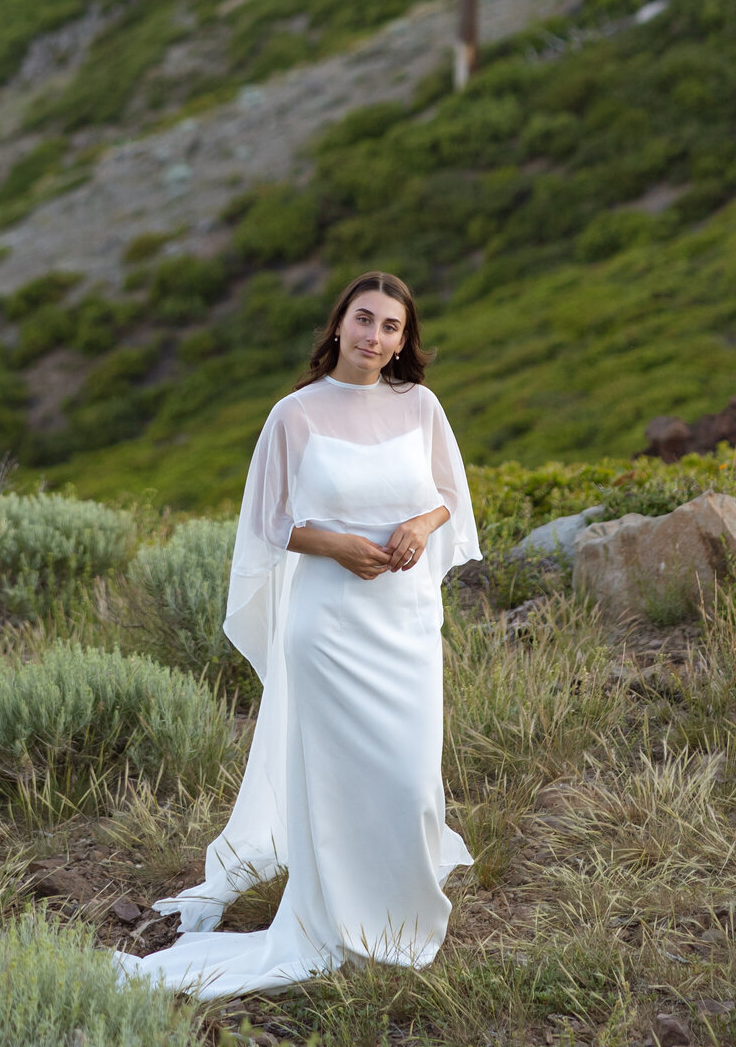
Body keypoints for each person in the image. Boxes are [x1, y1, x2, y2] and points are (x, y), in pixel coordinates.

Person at [117, 269, 479, 998]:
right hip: (330, 626)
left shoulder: (421, 406)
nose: (375, 337)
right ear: (338, 323)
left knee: (409, 779)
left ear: (405, 340)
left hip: (404, 621)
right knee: (337, 780)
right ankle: (336, 915)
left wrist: (418, 525)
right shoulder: (296, 414)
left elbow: (449, 499)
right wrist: (339, 545)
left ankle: (398, 898)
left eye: (391, 327)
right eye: (364, 319)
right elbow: (272, 523)